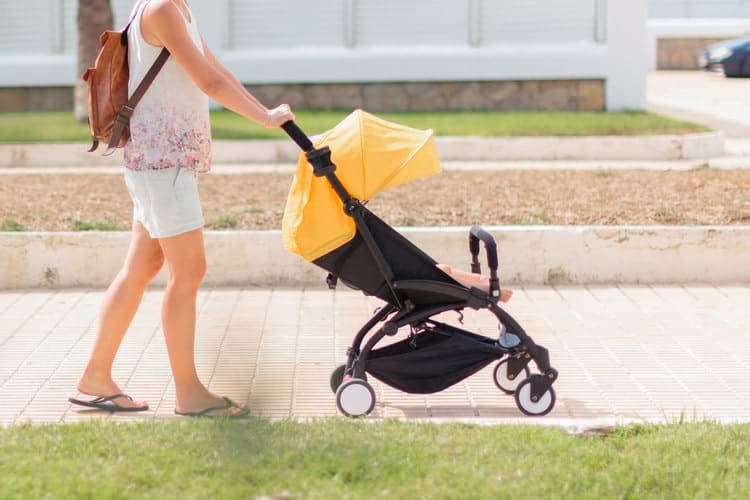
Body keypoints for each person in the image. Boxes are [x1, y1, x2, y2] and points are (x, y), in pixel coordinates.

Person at [68, 0, 295, 417]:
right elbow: (208, 82)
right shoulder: (161, 10)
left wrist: (269, 112)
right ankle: (189, 393)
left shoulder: (174, 7)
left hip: (159, 162)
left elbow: (217, 70)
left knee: (140, 269)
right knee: (188, 272)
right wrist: (264, 118)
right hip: (162, 164)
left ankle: (96, 375)